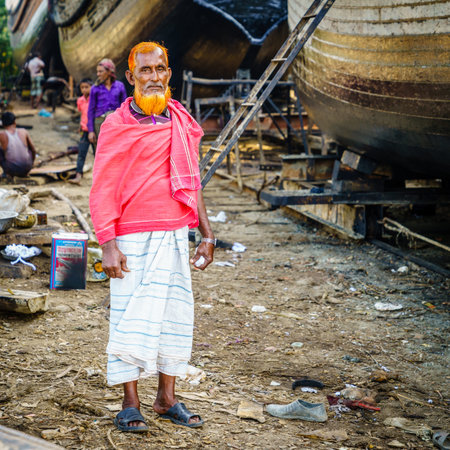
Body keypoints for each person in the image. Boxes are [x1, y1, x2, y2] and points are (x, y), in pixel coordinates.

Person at [89, 42, 215, 433]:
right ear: (131, 77)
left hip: (175, 232)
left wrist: (208, 235)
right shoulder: (116, 125)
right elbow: (102, 187)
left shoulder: (180, 120)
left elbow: (193, 183)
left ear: (168, 73)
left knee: (173, 317)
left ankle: (166, 397)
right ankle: (130, 402)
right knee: (130, 319)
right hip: (130, 237)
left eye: (161, 69)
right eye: (145, 70)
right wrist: (107, 243)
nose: (155, 77)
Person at [87, 59, 127, 147]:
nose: (98, 74)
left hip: (115, 123)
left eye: (101, 71)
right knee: (101, 149)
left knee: (116, 148)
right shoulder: (95, 88)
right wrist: (91, 131)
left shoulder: (120, 86)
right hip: (99, 123)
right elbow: (90, 110)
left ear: (109, 72)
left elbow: (125, 108)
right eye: (97, 71)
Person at [70, 78, 94, 185]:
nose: (84, 90)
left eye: (86, 87)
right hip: (84, 131)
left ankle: (100, 177)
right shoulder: (80, 100)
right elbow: (82, 114)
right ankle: (78, 176)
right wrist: (80, 125)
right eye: (82, 87)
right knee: (81, 153)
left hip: (94, 131)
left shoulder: (95, 99)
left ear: (92, 87)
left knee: (97, 154)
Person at [0, 112, 36, 178]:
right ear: (14, 122)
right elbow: (33, 149)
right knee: (29, 149)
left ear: (2, 124)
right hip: (27, 168)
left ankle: (6, 173)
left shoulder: (2, 134)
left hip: (11, 170)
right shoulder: (24, 131)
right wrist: (31, 163)